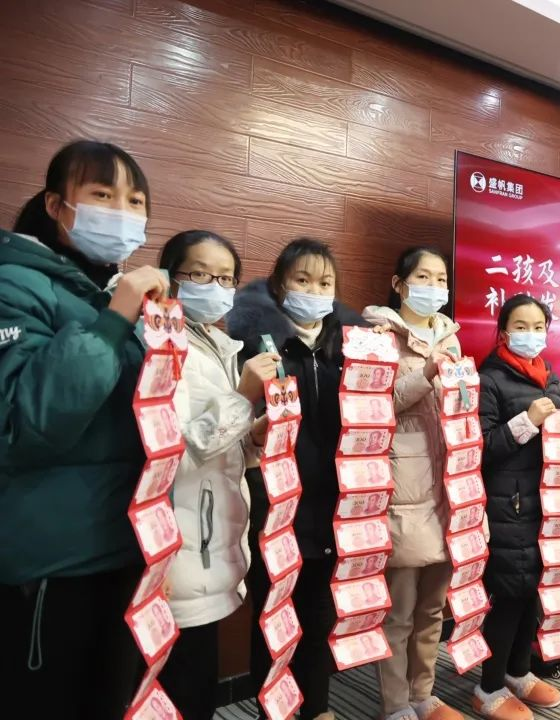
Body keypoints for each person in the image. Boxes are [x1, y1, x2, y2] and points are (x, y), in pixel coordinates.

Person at [0, 140, 167, 719]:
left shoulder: (109, 291)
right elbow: (28, 423)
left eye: (135, 200)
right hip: (53, 563)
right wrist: (115, 318)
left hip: (124, 547)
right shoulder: (15, 285)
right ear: (55, 204)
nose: (122, 212)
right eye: (102, 194)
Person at [227, 237, 368, 720]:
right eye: (302, 280)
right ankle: (275, 713)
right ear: (279, 285)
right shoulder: (252, 346)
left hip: (332, 503)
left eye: (325, 283)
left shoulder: (349, 347)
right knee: (274, 618)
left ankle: (319, 709)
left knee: (320, 614)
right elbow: (233, 428)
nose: (314, 291)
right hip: (275, 505)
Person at [155, 230, 280, 720]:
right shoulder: (164, 343)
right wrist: (243, 395)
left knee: (196, 681)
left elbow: (219, 448)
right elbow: (177, 450)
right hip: (180, 543)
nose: (216, 286)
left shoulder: (215, 343)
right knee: (181, 684)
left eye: (226, 278)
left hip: (208, 540)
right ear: (172, 277)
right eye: (201, 274)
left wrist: (254, 438)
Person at [363, 247, 465, 720]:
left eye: (440, 278)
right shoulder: (377, 336)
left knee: (433, 611)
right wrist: (424, 374)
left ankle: (424, 694)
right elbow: (373, 407)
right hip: (402, 488)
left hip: (451, 486)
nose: (434, 286)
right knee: (398, 612)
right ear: (398, 284)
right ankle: (395, 703)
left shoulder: (452, 338)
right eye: (423, 277)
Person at [474, 294, 560, 720]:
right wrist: (527, 420)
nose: (531, 335)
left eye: (538, 327)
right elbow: (481, 447)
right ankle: (488, 687)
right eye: (521, 327)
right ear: (504, 331)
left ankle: (519, 672)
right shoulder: (489, 379)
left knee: (532, 592)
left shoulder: (550, 377)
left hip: (545, 500)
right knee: (509, 593)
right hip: (506, 504)